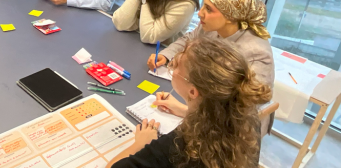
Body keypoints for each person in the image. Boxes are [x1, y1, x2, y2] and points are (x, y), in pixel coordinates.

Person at [108, 37, 272, 168]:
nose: (174, 62)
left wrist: (141, 144)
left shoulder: (177, 147)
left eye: (178, 64)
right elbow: (217, 119)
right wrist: (184, 109)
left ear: (193, 92)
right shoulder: (248, 119)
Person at [147, 0, 274, 88]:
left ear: (231, 16)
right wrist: (166, 55)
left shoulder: (257, 53)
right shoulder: (210, 27)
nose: (199, 13)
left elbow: (252, 103)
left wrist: (187, 109)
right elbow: (189, 39)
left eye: (208, 9)